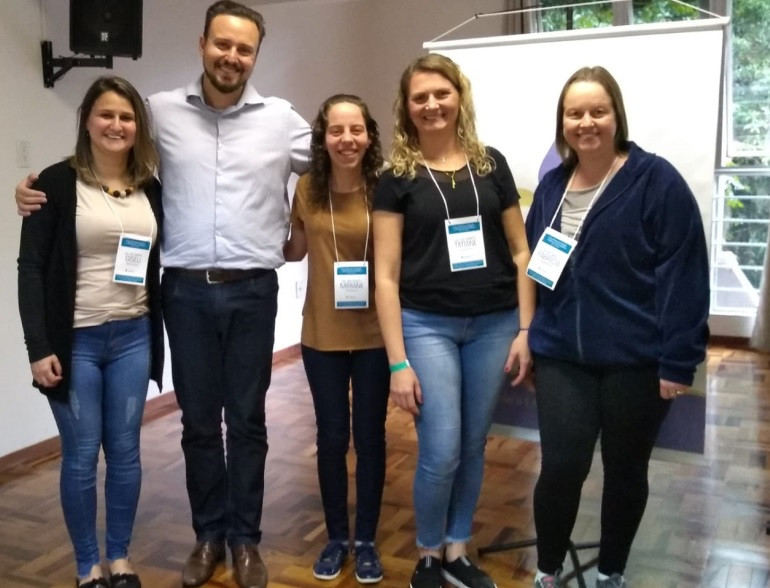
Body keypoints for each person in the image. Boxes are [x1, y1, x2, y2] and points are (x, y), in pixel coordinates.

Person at [15, 3, 311, 587]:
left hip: (253, 292)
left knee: (247, 422)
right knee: (197, 422)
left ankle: (245, 540)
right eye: (222, 43)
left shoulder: (281, 119)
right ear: (203, 44)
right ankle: (208, 535)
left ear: (255, 55)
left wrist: (312, 218)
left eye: (244, 48)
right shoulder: (158, 112)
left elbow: (341, 160)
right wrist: (35, 187)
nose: (231, 56)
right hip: (184, 294)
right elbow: (107, 151)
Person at [524, 66, 710, 588]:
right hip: (562, 356)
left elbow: (684, 275)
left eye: (597, 111)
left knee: (626, 471)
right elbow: (536, 267)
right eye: (574, 113)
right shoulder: (552, 187)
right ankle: (547, 570)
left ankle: (612, 572)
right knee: (561, 467)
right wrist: (527, 334)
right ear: (562, 123)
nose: (586, 122)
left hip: (636, 361)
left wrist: (678, 360)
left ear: (616, 117)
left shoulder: (656, 181)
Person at [372, 54, 535, 588]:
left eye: (441, 93)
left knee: (471, 445)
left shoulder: (491, 164)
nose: (432, 104)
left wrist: (526, 329)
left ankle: (457, 548)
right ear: (407, 107)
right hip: (426, 326)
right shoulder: (396, 177)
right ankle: (427, 552)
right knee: (441, 449)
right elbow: (386, 277)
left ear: (459, 97)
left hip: (494, 324)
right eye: (420, 97)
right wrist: (397, 363)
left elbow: (520, 252)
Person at [17, 76, 164, 588]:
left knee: (125, 453)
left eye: (126, 117)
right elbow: (30, 268)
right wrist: (38, 347)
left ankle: (119, 557)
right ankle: (88, 566)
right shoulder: (55, 184)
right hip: (75, 342)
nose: (116, 125)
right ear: (86, 120)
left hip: (133, 337)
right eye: (106, 114)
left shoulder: (150, 187)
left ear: (137, 126)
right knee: (81, 456)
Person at [283, 94, 389, 584]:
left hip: (375, 335)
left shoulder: (386, 187)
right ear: (322, 138)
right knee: (330, 438)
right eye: (336, 130)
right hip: (321, 334)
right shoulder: (307, 188)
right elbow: (295, 250)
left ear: (369, 136)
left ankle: (365, 540)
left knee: (369, 438)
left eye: (356, 130)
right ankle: (334, 538)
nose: (347, 139)